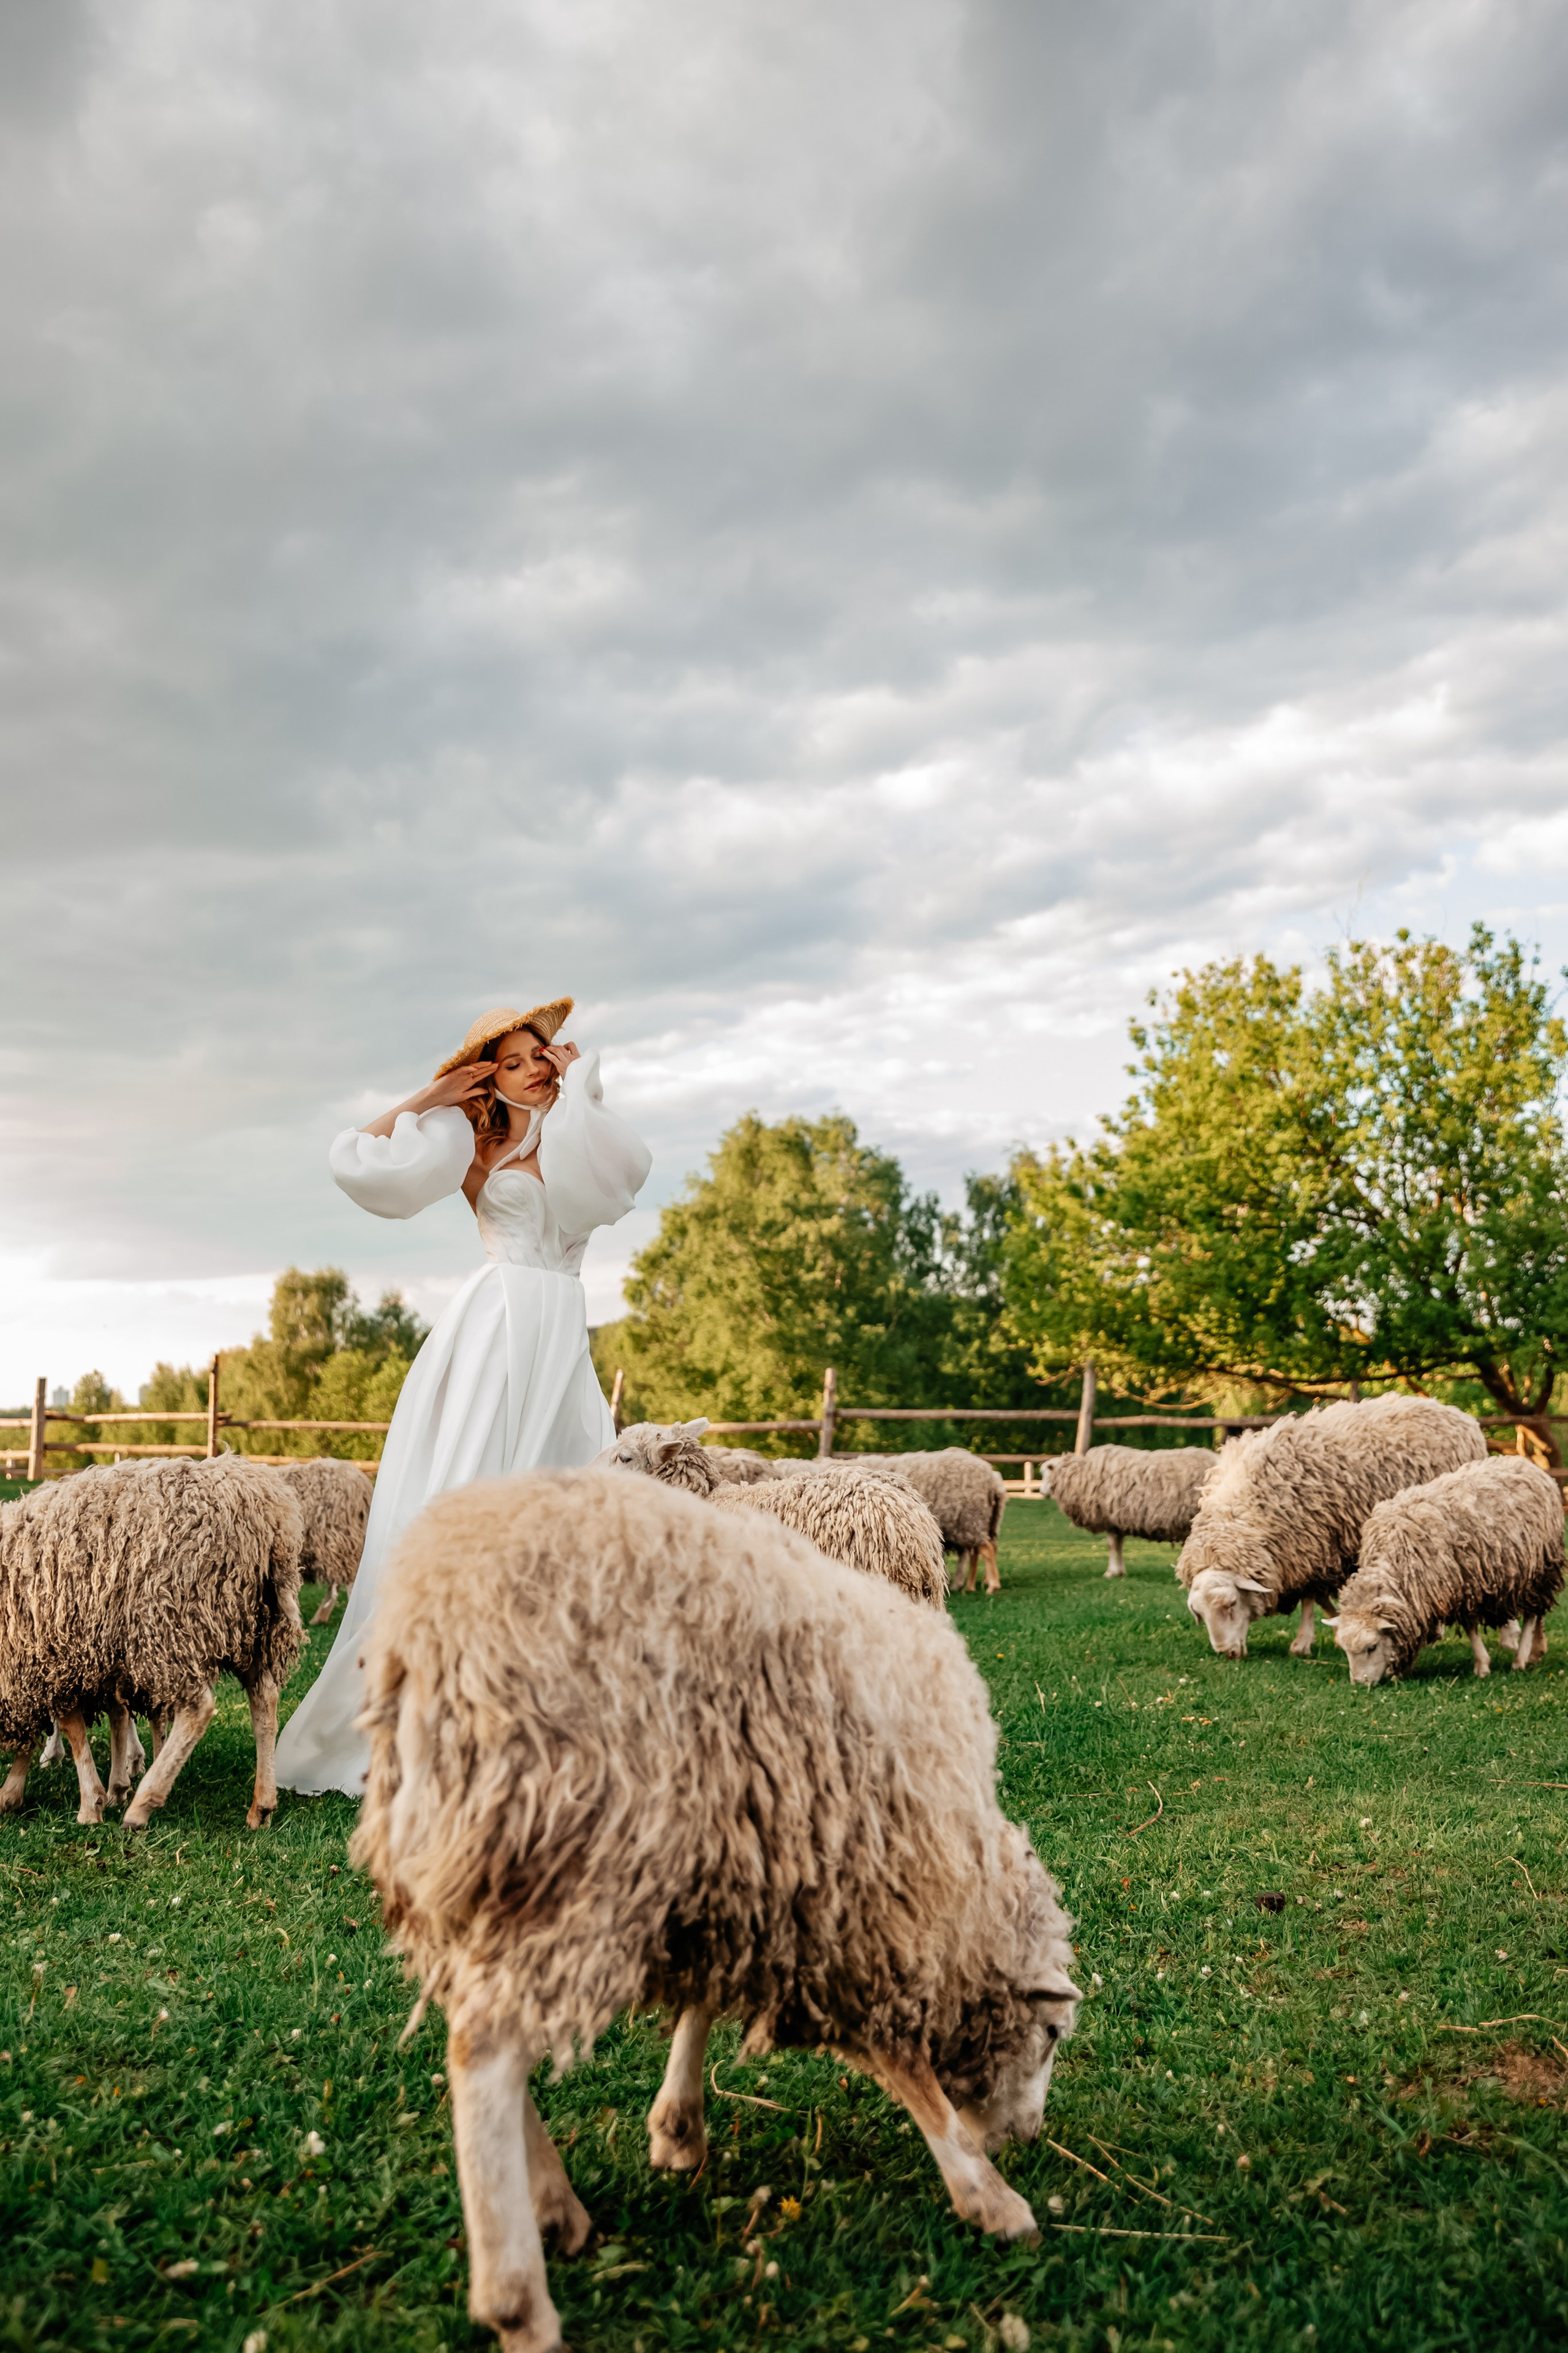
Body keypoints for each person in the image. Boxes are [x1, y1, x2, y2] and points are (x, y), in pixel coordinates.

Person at [274, 997, 650, 1797]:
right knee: (466, 1505)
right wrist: (431, 1098)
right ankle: (419, 1714)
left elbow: (627, 1175)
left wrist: (581, 1087)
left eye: (540, 1054)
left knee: (574, 1515)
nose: (536, 1068)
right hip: (493, 1337)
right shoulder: (473, 1145)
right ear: (490, 1073)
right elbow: (358, 1161)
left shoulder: (577, 1131)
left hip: (560, 1333)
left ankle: (549, 1717)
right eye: (514, 1060)